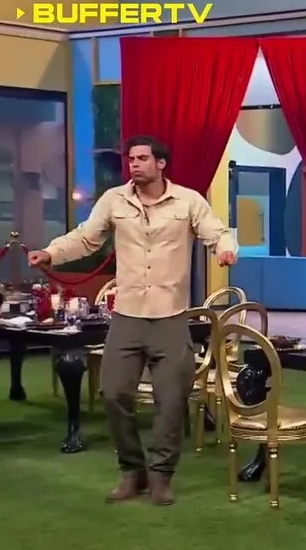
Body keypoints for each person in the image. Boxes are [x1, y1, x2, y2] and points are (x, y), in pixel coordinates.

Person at [27, 135, 237, 505]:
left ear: (161, 163)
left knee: (171, 399)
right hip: (126, 316)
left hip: (170, 316)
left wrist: (225, 249)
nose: (134, 164)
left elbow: (216, 233)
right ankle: (132, 471)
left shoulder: (188, 201)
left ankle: (161, 475)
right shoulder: (114, 200)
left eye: (142, 158)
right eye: (131, 158)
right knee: (114, 393)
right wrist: (51, 253)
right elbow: (86, 238)